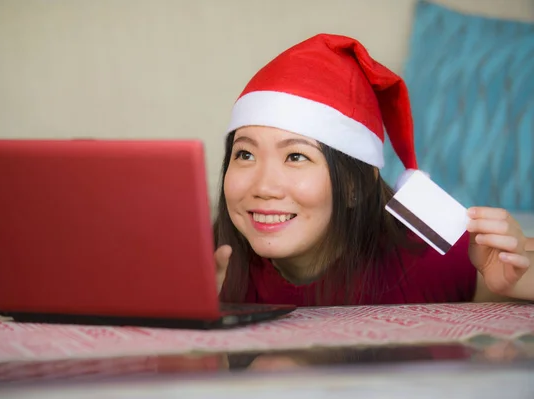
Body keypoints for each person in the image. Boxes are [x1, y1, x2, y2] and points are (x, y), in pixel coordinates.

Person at [212, 34, 533, 307]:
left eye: (296, 156)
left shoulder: (428, 255)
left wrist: (515, 281)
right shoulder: (210, 262)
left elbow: (512, 272)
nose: (264, 187)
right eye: (245, 154)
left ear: (355, 184)